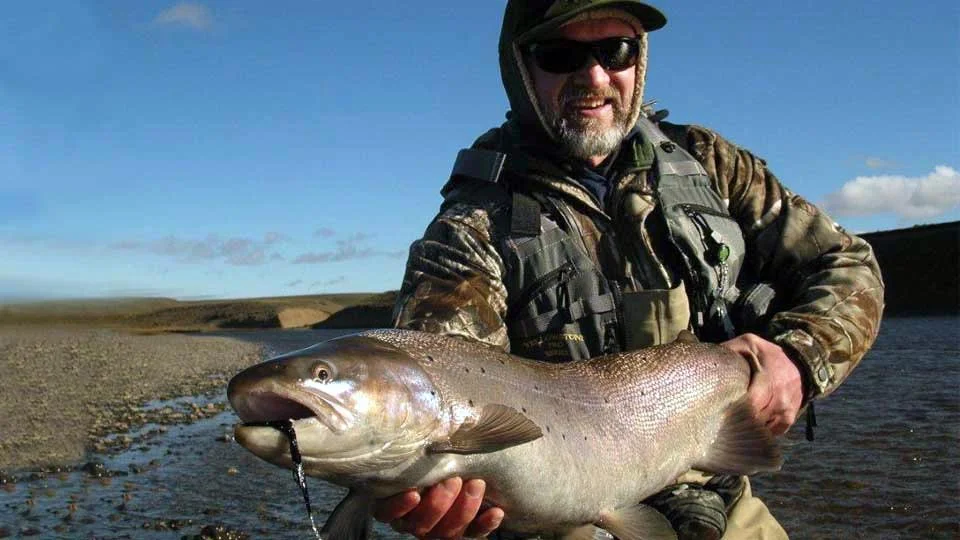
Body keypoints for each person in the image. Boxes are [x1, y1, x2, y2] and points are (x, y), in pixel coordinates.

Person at [377, 1, 884, 538]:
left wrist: (799, 360)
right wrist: (431, 487)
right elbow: (435, 381)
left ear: (639, 59)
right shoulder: (470, 229)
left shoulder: (711, 162)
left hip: (719, 490)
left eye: (615, 50)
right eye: (560, 54)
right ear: (519, 70)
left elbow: (847, 264)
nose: (594, 76)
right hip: (564, 519)